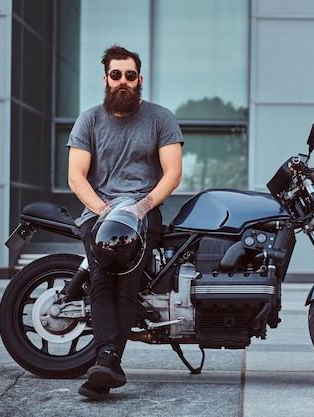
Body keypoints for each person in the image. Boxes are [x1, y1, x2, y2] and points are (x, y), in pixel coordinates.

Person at [67, 44, 183, 401]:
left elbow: (173, 173)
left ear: (139, 79)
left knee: (127, 285)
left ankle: (105, 361)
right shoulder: (89, 120)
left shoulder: (160, 118)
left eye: (129, 75)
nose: (123, 81)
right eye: (115, 75)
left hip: (143, 216)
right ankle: (108, 360)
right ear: (105, 79)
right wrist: (105, 211)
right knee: (103, 281)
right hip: (100, 213)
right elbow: (76, 176)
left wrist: (140, 207)